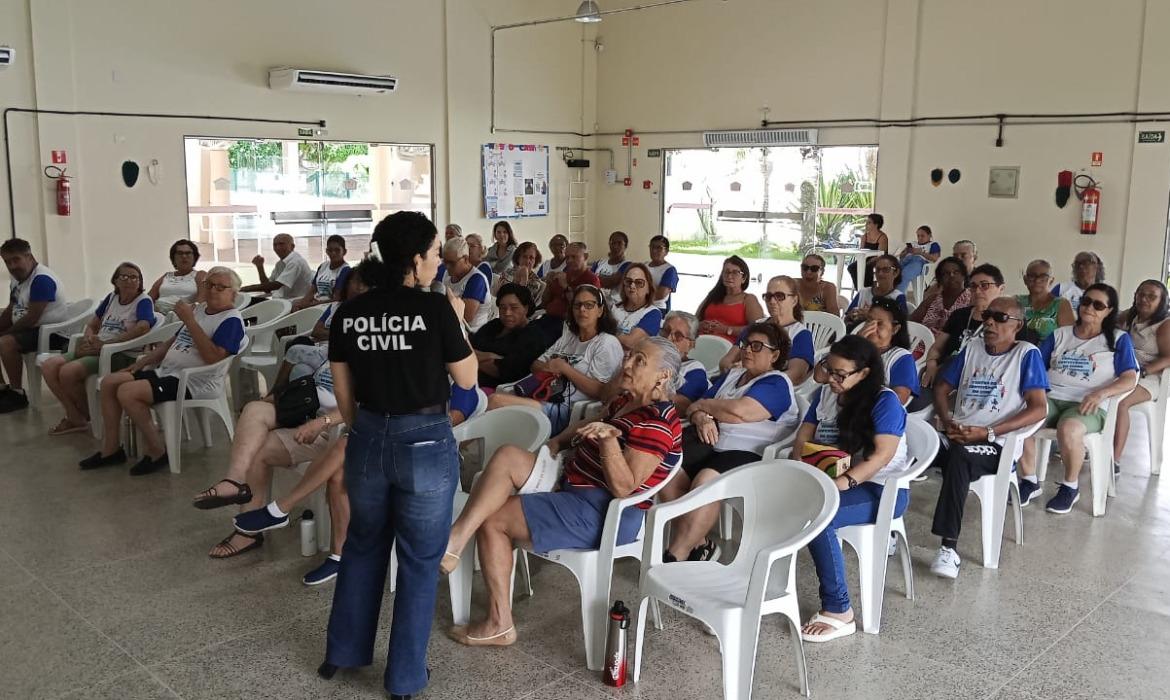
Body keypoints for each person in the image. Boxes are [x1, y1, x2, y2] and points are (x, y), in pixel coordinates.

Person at [317, 211, 478, 699]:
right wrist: (456, 318)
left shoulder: (351, 313)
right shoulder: (434, 310)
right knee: (418, 559)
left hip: (367, 437)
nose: (438, 264)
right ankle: (405, 678)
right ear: (414, 258)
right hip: (425, 443)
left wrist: (368, 426)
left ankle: (342, 653)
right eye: (433, 255)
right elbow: (468, 379)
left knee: (362, 545)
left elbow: (344, 397)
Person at [439, 336, 682, 647]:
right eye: (629, 356)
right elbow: (592, 423)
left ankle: (499, 623)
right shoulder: (625, 400)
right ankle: (456, 540)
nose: (627, 364)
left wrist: (608, 442)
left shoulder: (656, 423)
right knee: (509, 455)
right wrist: (554, 445)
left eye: (639, 361)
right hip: (576, 483)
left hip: (603, 512)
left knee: (494, 519)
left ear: (663, 376)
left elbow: (625, 487)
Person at [791, 335, 909, 642]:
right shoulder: (825, 394)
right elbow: (803, 439)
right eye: (830, 370)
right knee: (779, 501)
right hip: (830, 479)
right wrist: (798, 470)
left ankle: (840, 611)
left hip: (881, 490)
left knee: (820, 516)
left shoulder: (885, 402)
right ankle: (772, 585)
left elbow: (882, 456)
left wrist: (841, 485)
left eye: (841, 375)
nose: (832, 379)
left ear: (865, 373)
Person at [927, 296, 1049, 579]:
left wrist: (989, 432)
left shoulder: (1026, 354)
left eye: (1000, 318)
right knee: (906, 446)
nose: (990, 322)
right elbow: (942, 387)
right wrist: (947, 421)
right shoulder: (972, 348)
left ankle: (949, 549)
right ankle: (888, 523)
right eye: (988, 316)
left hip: (996, 445)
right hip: (959, 434)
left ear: (1017, 325)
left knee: (959, 457)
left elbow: (1039, 408)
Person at [80, 267, 245, 475]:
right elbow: (173, 341)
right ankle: (111, 449)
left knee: (127, 392)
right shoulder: (200, 309)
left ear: (233, 294)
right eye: (209, 285)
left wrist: (190, 321)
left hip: (193, 381)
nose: (213, 291)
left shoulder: (231, 320)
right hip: (167, 372)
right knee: (109, 382)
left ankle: (157, 450)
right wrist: (144, 361)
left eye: (221, 287)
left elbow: (213, 357)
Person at [661, 322, 799, 562]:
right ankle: (701, 544)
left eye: (757, 346)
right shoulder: (734, 375)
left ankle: (676, 554)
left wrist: (707, 407)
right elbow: (694, 405)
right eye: (745, 344)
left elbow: (740, 412)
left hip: (749, 452)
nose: (747, 350)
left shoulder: (777, 383)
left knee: (706, 481)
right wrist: (701, 416)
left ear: (774, 355)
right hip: (712, 442)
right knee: (666, 468)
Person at [1018, 283, 1139, 514]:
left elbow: (1130, 378)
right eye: (1086, 301)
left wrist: (1101, 393)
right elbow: (1037, 368)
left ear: (1109, 311)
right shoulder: (1060, 335)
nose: (1089, 308)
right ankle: (1030, 480)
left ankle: (1070, 486)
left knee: (1069, 429)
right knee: (1022, 418)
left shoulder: (1118, 339)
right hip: (1052, 396)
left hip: (1089, 403)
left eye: (1098, 304)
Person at [41, 262, 156, 435]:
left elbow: (143, 327)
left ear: (140, 282)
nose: (129, 281)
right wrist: (88, 338)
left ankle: (86, 414)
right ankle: (75, 416)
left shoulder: (143, 301)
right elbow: (93, 324)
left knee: (67, 372)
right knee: (49, 366)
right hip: (98, 347)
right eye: (124, 276)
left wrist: (108, 344)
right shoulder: (111, 298)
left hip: (119, 352)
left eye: (134, 277)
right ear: (115, 281)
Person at [490, 285, 623, 433]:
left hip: (565, 410)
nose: (582, 310)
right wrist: (552, 368)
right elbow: (535, 365)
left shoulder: (606, 343)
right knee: (495, 404)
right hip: (541, 395)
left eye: (589, 305)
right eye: (577, 305)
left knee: (496, 401)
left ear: (600, 310)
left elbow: (600, 391)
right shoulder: (569, 338)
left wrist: (565, 369)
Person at [0, 238, 69, 413]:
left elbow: (32, 318)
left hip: (51, 333)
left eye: (16, 260)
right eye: (7, 262)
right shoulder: (17, 279)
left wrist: (5, 333)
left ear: (29, 257)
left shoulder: (41, 279)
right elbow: (11, 309)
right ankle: (2, 389)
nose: (12, 266)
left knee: (5, 342)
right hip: (29, 329)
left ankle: (17, 395)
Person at [1114, 280, 1170, 471]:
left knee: (1120, 402)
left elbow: (1169, 358)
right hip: (1126, 372)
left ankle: (1114, 460)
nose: (1144, 299)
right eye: (1141, 294)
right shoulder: (1130, 316)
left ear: (1162, 301)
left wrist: (1143, 371)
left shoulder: (1164, 325)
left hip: (1150, 378)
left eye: (1151, 296)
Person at [920, 264, 1006, 388]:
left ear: (1001, 288)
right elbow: (937, 348)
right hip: (946, 376)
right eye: (973, 286)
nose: (977, 291)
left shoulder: (1007, 320)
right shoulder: (959, 315)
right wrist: (932, 364)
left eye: (984, 285)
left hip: (983, 383)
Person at [719, 275, 815, 386]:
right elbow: (725, 361)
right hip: (739, 382)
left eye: (779, 296)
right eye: (768, 296)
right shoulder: (756, 326)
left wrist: (758, 377)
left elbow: (796, 375)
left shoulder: (800, 334)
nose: (772, 301)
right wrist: (732, 369)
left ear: (794, 300)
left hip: (769, 388)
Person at [470, 283, 550, 388]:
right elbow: (467, 346)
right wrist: (490, 357)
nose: (507, 313)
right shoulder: (495, 324)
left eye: (514, 308)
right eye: (503, 308)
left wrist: (470, 357)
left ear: (525, 308)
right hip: (467, 376)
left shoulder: (532, 337)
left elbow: (504, 372)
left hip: (495, 389)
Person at [857, 297, 921, 405]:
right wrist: (855, 344)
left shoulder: (901, 358)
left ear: (895, 329)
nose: (871, 328)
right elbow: (820, 375)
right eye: (869, 321)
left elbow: (899, 399)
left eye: (879, 323)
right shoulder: (855, 347)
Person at [537, 242, 601, 338]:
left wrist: (566, 287)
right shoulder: (563, 275)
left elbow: (583, 310)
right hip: (547, 318)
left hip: (568, 325)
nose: (569, 260)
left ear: (585, 256)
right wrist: (549, 284)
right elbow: (545, 302)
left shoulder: (591, 280)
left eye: (574, 257)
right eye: (567, 257)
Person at [696, 255, 765, 342]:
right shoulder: (713, 296)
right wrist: (700, 325)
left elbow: (758, 329)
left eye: (735, 272)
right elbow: (694, 321)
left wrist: (726, 329)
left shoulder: (748, 299)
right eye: (726, 272)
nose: (729, 276)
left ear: (744, 278)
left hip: (732, 350)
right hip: (701, 343)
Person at [658, 311, 710, 412]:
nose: (668, 338)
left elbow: (684, 405)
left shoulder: (694, 369)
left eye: (678, 336)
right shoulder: (649, 357)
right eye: (666, 331)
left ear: (691, 344)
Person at [441, 236, 494, 332]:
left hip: (472, 333)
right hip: (454, 328)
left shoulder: (477, 279)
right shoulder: (447, 274)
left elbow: (465, 317)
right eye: (445, 262)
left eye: (451, 263)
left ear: (465, 259)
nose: (447, 266)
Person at [1017, 259, 1075, 344]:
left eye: (1043, 276)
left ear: (1051, 280)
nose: (1037, 280)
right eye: (1032, 276)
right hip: (1019, 354)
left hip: (1050, 355)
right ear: (1025, 279)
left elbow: (1068, 339)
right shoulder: (1017, 301)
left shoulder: (1061, 304)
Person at [241, 233, 314, 300]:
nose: (278, 248)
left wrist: (244, 289)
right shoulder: (280, 264)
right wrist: (260, 267)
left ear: (292, 246)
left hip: (297, 301)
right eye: (275, 245)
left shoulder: (296, 262)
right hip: (284, 300)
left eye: (281, 244)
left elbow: (276, 286)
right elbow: (267, 288)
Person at [909, 256, 970, 335]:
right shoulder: (932, 300)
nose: (951, 275)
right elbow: (910, 322)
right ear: (940, 279)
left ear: (963, 275)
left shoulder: (971, 299)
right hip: (925, 344)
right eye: (946, 273)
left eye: (956, 272)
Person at [611, 263, 664, 351]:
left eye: (639, 282)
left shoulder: (653, 313)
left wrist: (608, 330)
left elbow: (631, 343)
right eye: (628, 281)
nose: (632, 286)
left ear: (648, 288)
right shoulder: (614, 307)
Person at [845, 254, 907, 326]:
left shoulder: (897, 297)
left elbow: (900, 324)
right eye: (877, 269)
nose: (880, 273)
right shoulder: (863, 292)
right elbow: (846, 318)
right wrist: (852, 315)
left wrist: (870, 316)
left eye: (885, 270)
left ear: (896, 273)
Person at [293, 234, 351, 311]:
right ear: (326, 251)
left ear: (344, 251)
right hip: (316, 303)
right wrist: (302, 303)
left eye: (337, 250)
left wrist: (310, 305)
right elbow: (312, 290)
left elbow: (337, 299)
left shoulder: (345, 270)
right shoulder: (323, 266)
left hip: (331, 308)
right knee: (294, 305)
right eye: (330, 250)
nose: (333, 253)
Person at [148, 239, 207, 313]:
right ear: (173, 257)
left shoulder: (200, 275)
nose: (184, 256)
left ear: (194, 257)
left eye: (188, 253)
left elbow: (201, 303)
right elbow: (149, 298)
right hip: (157, 315)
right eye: (180, 253)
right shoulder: (166, 276)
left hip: (183, 317)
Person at [920, 239, 978, 306]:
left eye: (963, 256)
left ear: (974, 258)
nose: (958, 259)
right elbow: (926, 299)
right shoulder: (946, 275)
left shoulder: (979, 278)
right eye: (955, 256)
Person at [846, 213, 888, 289]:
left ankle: (868, 289)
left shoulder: (882, 237)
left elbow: (881, 254)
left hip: (878, 259)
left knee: (866, 267)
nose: (866, 224)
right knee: (851, 267)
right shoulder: (864, 236)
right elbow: (861, 251)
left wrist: (869, 261)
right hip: (865, 259)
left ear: (876, 225)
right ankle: (860, 289)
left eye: (869, 222)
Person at [897, 225, 942, 293]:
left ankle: (898, 297)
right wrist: (906, 252)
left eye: (922, 236)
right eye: (918, 236)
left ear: (929, 235)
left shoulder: (933, 245)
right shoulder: (913, 244)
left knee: (904, 274)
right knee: (892, 272)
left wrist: (921, 253)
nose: (920, 238)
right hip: (907, 261)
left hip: (920, 263)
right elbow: (901, 257)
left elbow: (934, 259)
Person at [591, 230, 630, 300]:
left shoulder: (627, 265)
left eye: (619, 243)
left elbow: (611, 282)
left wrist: (596, 277)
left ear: (625, 246)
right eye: (613, 243)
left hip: (615, 306)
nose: (615, 246)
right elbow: (589, 280)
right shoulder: (599, 262)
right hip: (597, 302)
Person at [647, 235, 679, 311]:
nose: (654, 251)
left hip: (657, 308)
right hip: (640, 306)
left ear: (666, 251)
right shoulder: (644, 266)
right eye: (652, 247)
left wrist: (639, 297)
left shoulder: (670, 270)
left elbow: (660, 294)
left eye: (659, 248)